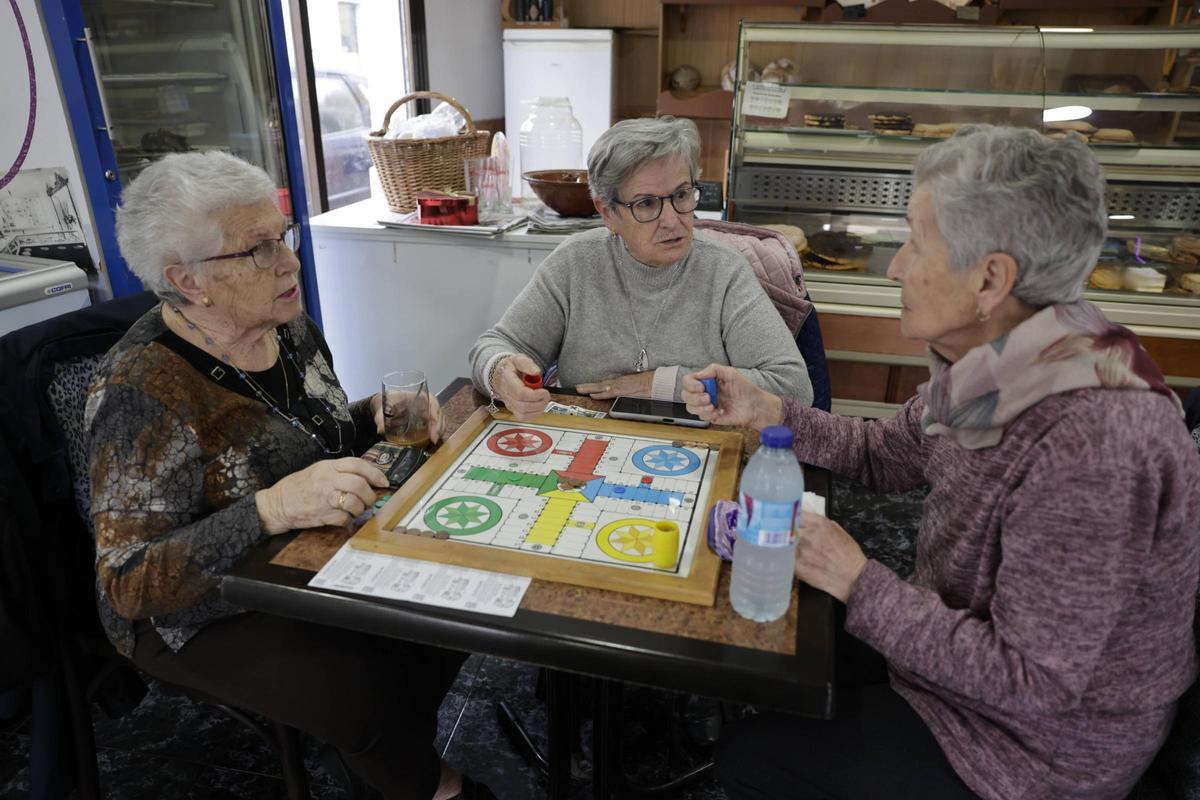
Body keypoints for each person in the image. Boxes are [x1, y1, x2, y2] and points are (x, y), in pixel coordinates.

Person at [683, 126, 1200, 799]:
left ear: (990, 279)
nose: (896, 266)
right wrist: (767, 409)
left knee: (756, 757)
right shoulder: (1014, 360)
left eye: (915, 243)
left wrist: (857, 578)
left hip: (1030, 755)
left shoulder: (1095, 444)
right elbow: (881, 453)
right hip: (959, 669)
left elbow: (1032, 684)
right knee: (776, 638)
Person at [86, 152, 491, 800]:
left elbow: (303, 436)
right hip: (199, 611)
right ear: (188, 282)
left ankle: (377, 760)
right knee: (365, 687)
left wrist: (373, 416)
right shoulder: (140, 391)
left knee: (442, 615)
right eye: (257, 250)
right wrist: (270, 510)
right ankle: (427, 782)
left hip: (300, 558)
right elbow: (129, 582)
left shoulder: (285, 324)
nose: (289, 262)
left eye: (284, 236)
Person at [469, 116, 811, 418]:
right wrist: (500, 372)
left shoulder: (724, 271)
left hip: (699, 451)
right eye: (646, 204)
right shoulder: (575, 262)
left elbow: (793, 387)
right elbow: (495, 345)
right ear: (607, 214)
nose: (672, 221)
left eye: (681, 195)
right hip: (588, 449)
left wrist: (660, 384)